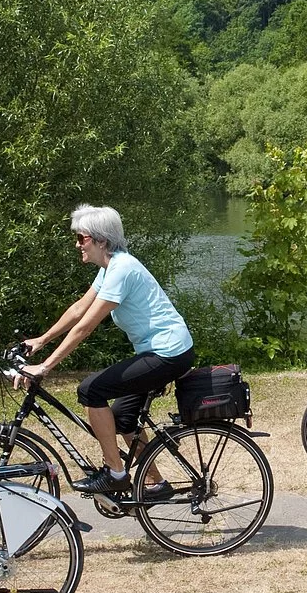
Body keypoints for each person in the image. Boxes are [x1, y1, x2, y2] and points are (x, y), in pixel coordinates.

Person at [15, 205, 196, 497]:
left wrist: (45, 366)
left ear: (101, 240)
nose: (77, 244)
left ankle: (115, 473)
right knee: (123, 417)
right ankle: (156, 483)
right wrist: (41, 339)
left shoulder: (122, 270)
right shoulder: (111, 267)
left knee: (91, 390)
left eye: (81, 238)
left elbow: (85, 327)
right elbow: (77, 311)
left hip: (168, 353)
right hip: (158, 352)